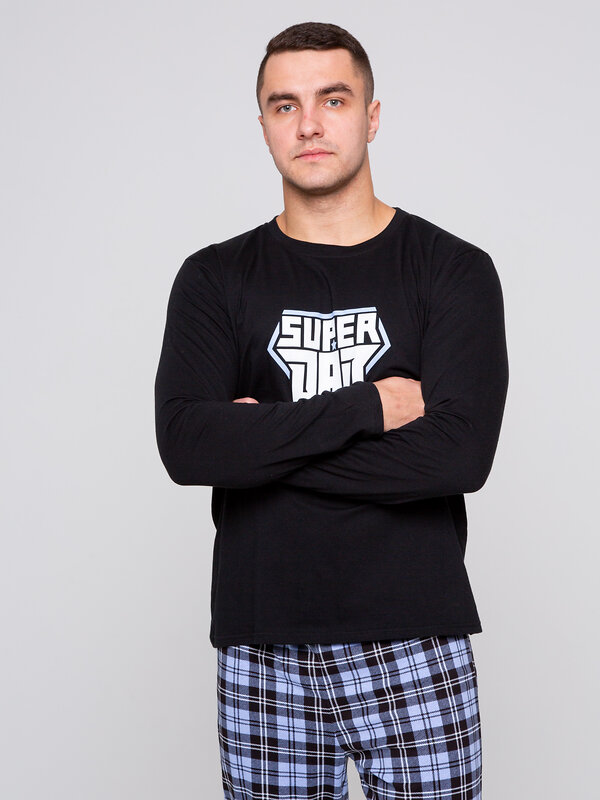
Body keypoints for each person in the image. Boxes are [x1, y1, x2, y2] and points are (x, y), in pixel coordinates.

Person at [154, 20, 509, 800]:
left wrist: (258, 447)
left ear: (372, 116)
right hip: (262, 641)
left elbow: (458, 456)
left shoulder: (452, 271)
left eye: (333, 99)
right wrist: (370, 405)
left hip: (413, 635)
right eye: (285, 105)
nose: (309, 124)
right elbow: (187, 445)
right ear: (263, 125)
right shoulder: (214, 278)